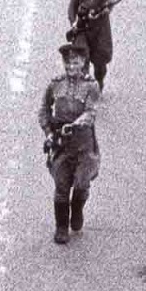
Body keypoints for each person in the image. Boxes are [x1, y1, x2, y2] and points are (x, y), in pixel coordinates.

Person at [39, 40, 101, 245]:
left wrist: (74, 125)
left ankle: (77, 209)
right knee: (61, 186)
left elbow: (90, 113)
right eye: (67, 63)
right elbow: (44, 110)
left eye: (75, 62)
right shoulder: (55, 84)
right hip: (62, 146)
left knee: (82, 184)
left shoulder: (91, 86)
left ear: (83, 63)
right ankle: (61, 226)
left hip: (83, 145)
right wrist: (48, 132)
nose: (71, 67)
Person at [66, 0, 119, 89]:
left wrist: (100, 13)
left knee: (100, 63)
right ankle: (85, 89)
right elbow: (72, 6)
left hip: (100, 29)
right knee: (82, 57)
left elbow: (109, 1)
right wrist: (73, 23)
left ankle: (99, 82)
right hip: (82, 28)